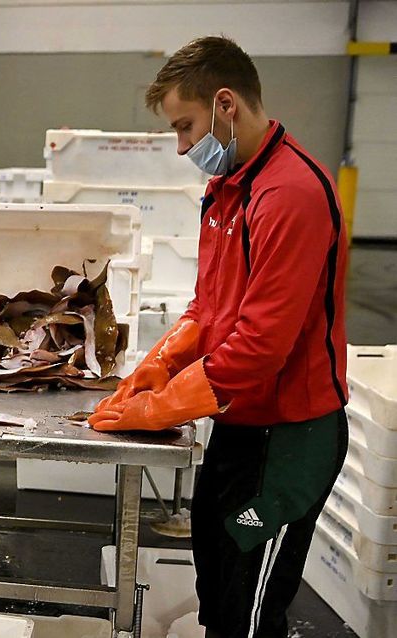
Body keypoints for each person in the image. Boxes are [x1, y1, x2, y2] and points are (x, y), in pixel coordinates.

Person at [89, 36, 348, 638]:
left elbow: (260, 346)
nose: (183, 148)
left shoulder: (291, 194)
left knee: (249, 613)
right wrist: (155, 366)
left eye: (185, 127)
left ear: (226, 104)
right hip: (236, 426)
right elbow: (209, 307)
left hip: (290, 440)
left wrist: (160, 408)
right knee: (214, 582)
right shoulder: (227, 188)